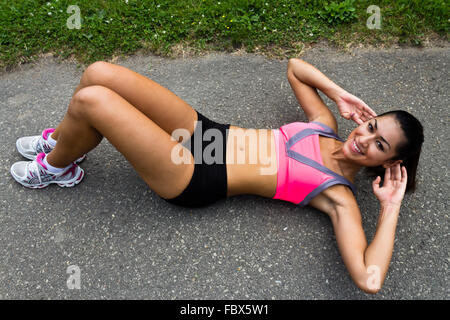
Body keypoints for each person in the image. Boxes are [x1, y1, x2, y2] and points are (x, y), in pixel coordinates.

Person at [10, 58, 423, 294]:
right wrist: (339, 94)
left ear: (388, 164)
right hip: (208, 133)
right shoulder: (323, 123)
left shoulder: (338, 196)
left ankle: (58, 167)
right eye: (371, 127)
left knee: (92, 100)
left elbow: (369, 278)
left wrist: (390, 207)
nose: (365, 140)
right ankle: (67, 140)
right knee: (100, 73)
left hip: (194, 176)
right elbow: (295, 68)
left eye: (380, 146)